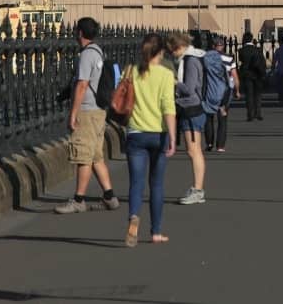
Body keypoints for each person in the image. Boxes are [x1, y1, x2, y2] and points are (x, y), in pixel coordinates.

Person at [55, 17, 118, 214]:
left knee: (83, 156)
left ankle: (78, 200)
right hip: (99, 110)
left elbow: (82, 85)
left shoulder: (86, 55)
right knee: (96, 156)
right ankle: (109, 196)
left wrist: (73, 114)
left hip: (87, 111)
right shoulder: (98, 51)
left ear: (80, 33)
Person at [123, 33, 177, 247]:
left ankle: (134, 216)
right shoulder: (165, 74)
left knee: (135, 183)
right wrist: (173, 137)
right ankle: (155, 232)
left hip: (135, 133)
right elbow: (168, 108)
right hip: (159, 134)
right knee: (156, 184)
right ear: (161, 52)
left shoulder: (132, 71)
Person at [167, 31, 207, 205]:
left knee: (194, 151)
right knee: (195, 150)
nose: (172, 54)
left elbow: (189, 88)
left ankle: (198, 189)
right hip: (194, 108)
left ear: (179, 47)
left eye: (172, 50)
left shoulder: (190, 61)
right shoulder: (194, 58)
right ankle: (197, 188)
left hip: (190, 108)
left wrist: (174, 83)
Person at [205, 36, 239, 153]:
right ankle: (220, 145)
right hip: (225, 90)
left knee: (209, 118)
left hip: (209, 89)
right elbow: (234, 76)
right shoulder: (229, 58)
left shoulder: (206, 57)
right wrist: (237, 90)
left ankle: (209, 142)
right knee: (222, 118)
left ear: (212, 46)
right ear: (223, 46)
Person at [237, 32, 267, 121]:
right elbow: (262, 60)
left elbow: (241, 60)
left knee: (249, 95)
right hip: (257, 74)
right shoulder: (257, 49)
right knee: (257, 95)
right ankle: (258, 113)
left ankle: (250, 114)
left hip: (247, 74)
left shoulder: (242, 50)